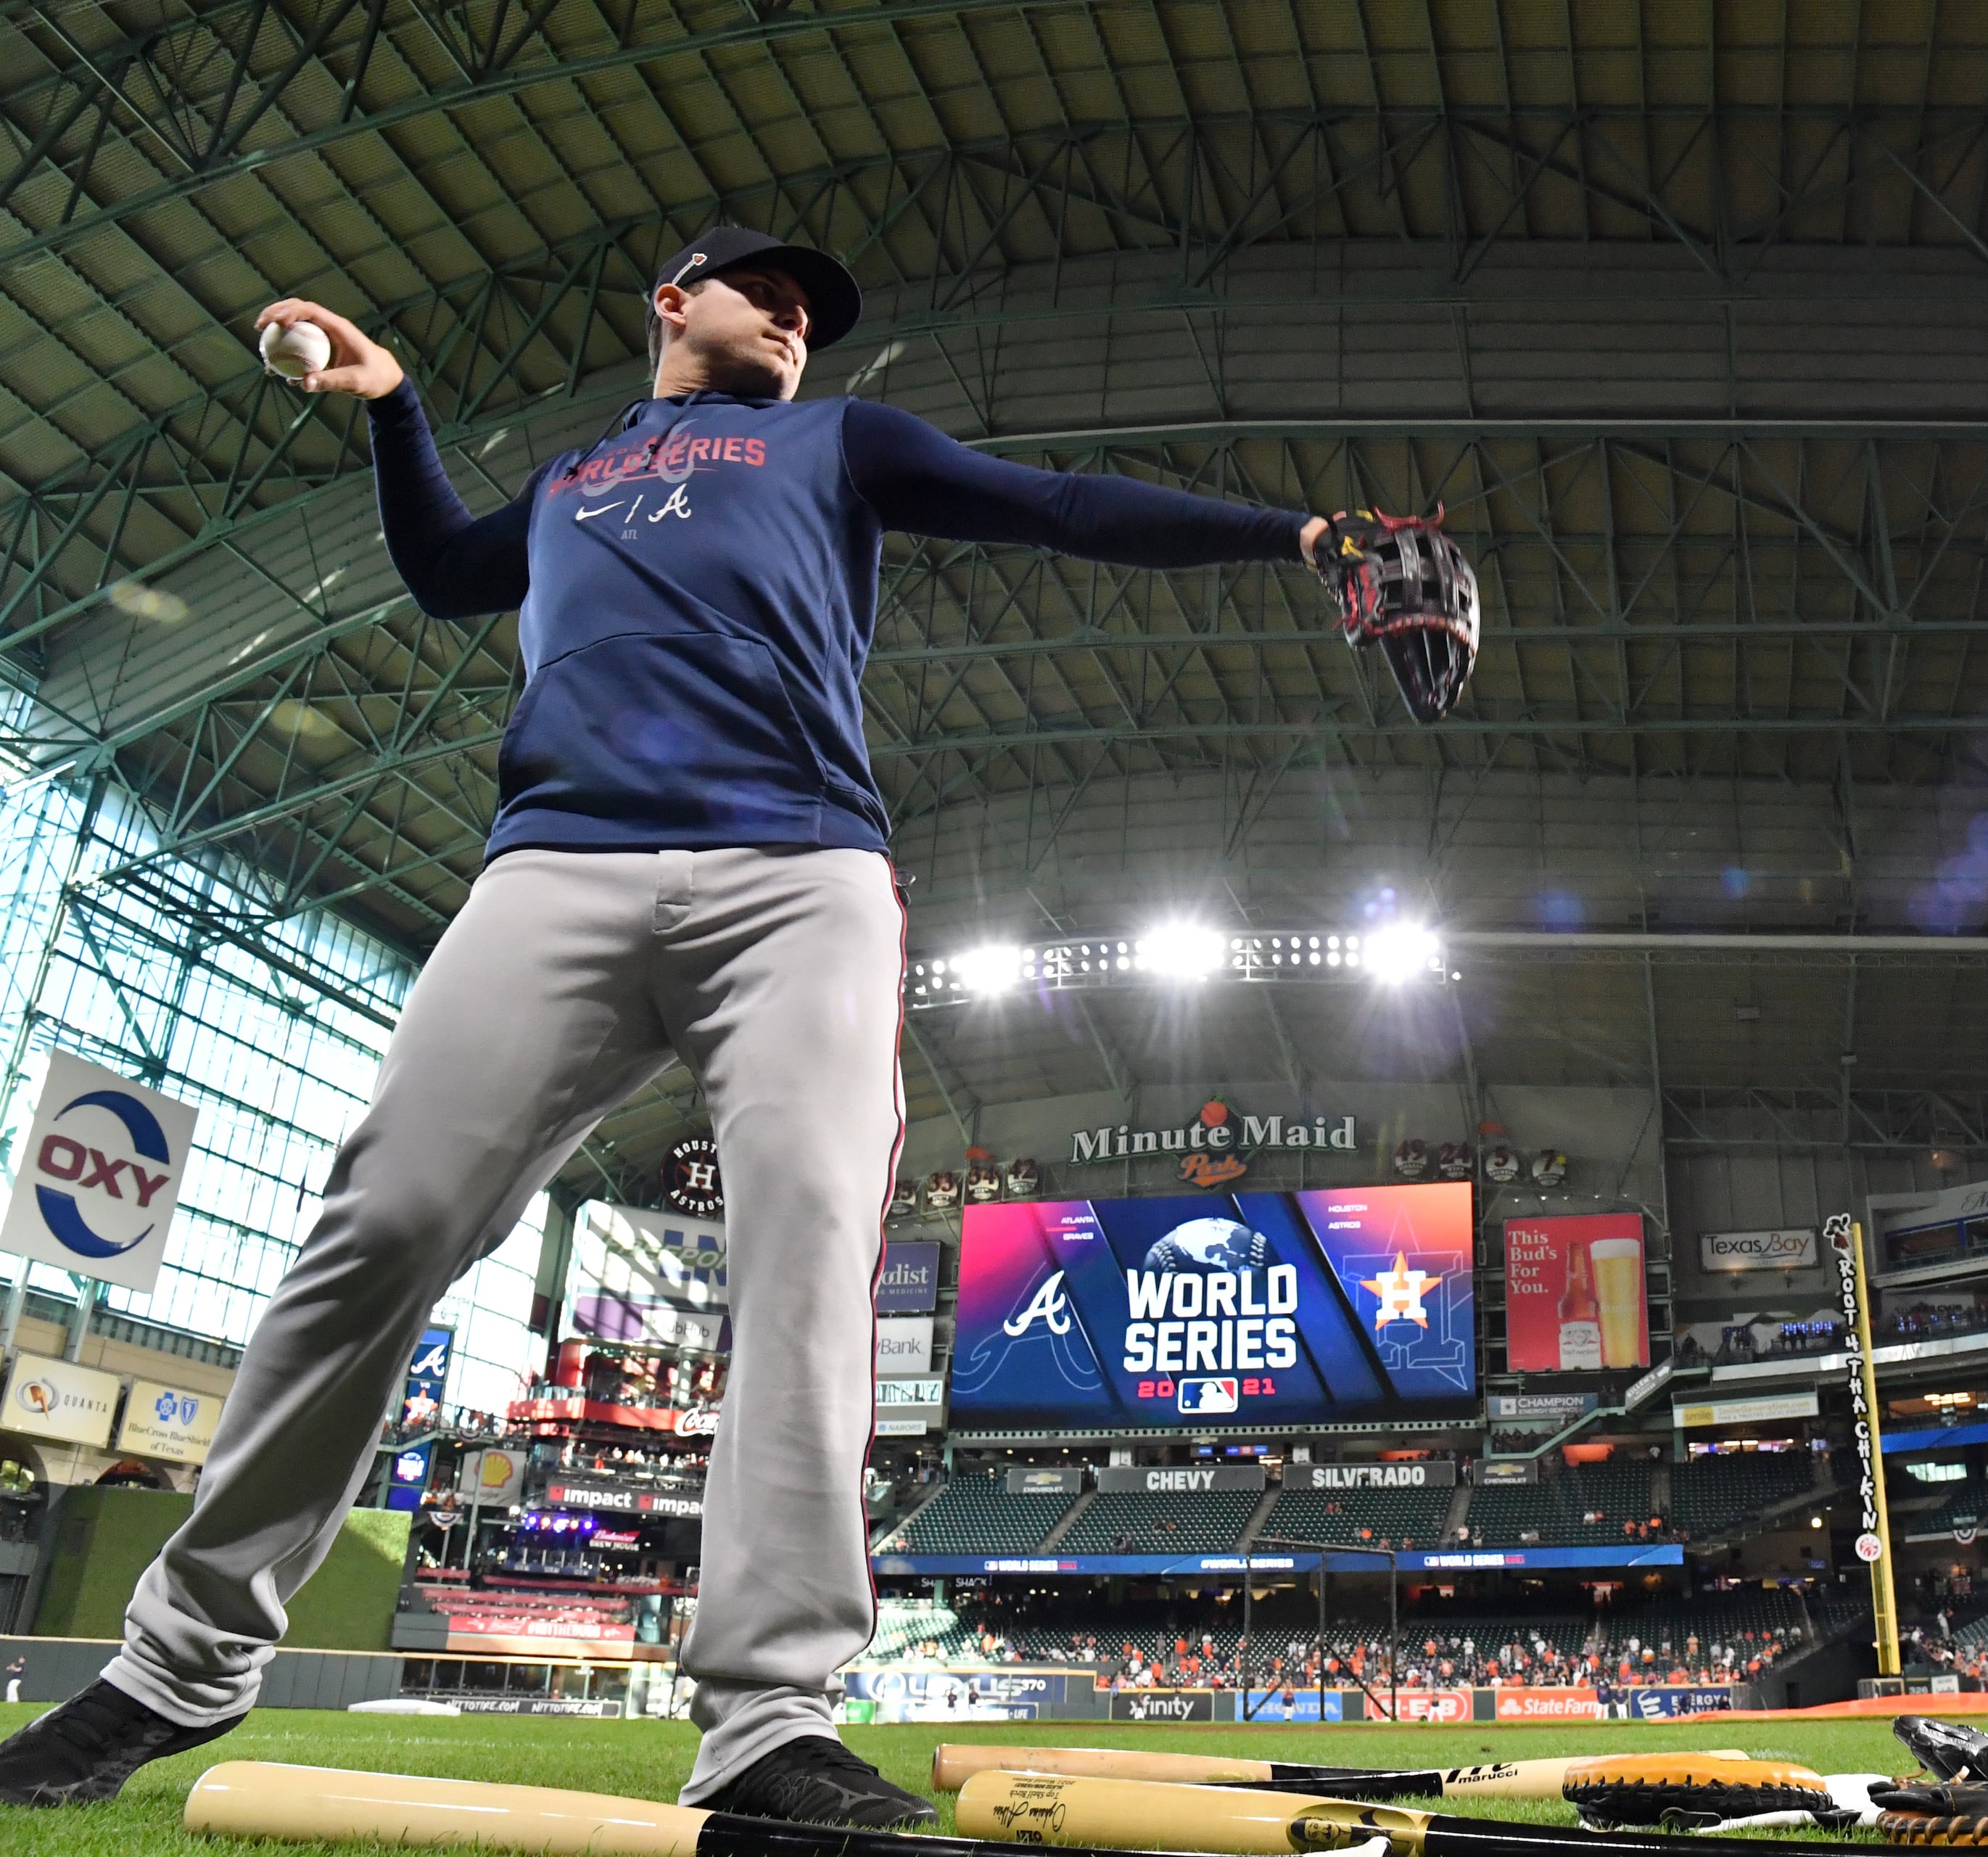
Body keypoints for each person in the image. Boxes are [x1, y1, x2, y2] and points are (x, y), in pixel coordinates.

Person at [0, 228, 1330, 1822]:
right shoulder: (571, 479)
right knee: (383, 1218)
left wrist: (1298, 530)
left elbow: (1055, 506)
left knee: (814, 1229)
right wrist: (393, 404)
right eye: (759, 288)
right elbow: (441, 574)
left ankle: (770, 1716)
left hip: (799, 866)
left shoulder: (840, 437)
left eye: (809, 311)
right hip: (554, 863)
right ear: (668, 305)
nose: (790, 314)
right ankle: (174, 1666)